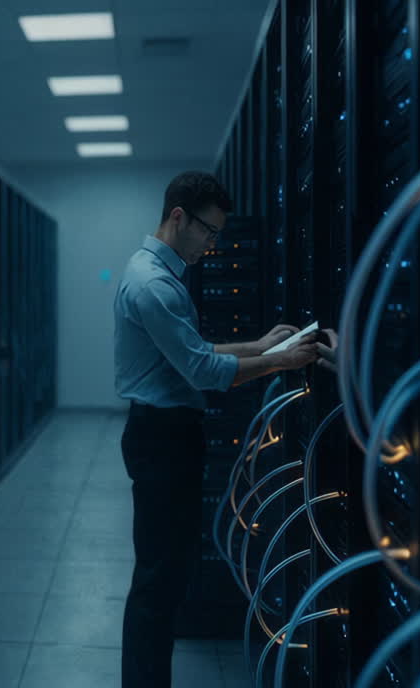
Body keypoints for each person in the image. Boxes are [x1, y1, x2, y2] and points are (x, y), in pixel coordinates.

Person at [112, 171, 320, 688]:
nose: (212, 243)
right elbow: (203, 372)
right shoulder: (153, 285)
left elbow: (194, 352)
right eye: (208, 231)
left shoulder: (158, 274)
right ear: (178, 217)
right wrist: (282, 362)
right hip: (162, 438)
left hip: (165, 434)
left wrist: (261, 346)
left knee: (167, 573)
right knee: (159, 581)